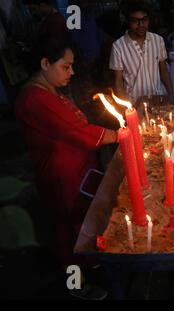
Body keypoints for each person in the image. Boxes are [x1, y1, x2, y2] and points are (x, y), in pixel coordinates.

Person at [15, 38, 118, 272]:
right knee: (68, 228)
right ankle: (76, 281)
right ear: (44, 63)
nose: (71, 72)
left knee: (82, 221)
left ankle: (92, 263)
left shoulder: (50, 90)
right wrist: (119, 135)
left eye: (72, 66)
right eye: (65, 66)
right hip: (62, 176)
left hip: (78, 169)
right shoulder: (35, 99)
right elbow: (77, 131)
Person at [109, 1, 173, 102]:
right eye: (135, 21)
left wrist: (171, 96)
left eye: (144, 20)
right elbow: (118, 81)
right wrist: (124, 108)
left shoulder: (158, 40)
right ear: (128, 21)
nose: (141, 25)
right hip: (134, 102)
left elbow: (164, 71)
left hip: (157, 99)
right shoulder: (118, 46)